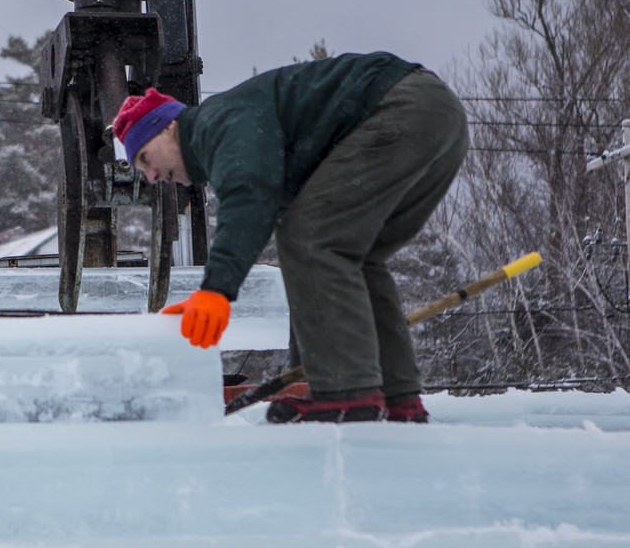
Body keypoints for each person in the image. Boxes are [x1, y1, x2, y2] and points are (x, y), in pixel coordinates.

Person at [111, 52, 468, 423]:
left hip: (400, 108)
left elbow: (249, 198)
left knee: (311, 237)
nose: (151, 176)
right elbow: (300, 248)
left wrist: (216, 290)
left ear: (167, 127)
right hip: (439, 118)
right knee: (354, 255)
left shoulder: (215, 123)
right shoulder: (228, 130)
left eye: (145, 158)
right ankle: (398, 397)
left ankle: (346, 394)